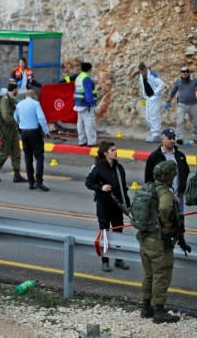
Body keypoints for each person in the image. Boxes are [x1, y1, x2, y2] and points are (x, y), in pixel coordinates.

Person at [138, 160, 181, 323]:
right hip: (158, 241)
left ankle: (146, 307)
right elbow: (164, 209)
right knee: (161, 275)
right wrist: (168, 223)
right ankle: (159, 311)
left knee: (148, 275)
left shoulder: (148, 187)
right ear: (169, 176)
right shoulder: (165, 193)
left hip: (145, 239)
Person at [85, 141, 131, 272]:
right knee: (105, 232)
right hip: (103, 204)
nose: (115, 152)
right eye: (112, 150)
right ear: (105, 153)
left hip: (117, 206)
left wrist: (127, 205)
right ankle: (105, 260)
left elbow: (123, 189)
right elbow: (88, 183)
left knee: (118, 231)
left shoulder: (119, 168)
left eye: (116, 149)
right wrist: (101, 187)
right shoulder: (98, 168)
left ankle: (119, 259)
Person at [0, 81, 27, 183]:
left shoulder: (10, 99)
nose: (17, 91)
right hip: (6, 130)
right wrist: (17, 123)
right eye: (17, 89)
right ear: (14, 89)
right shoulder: (5, 99)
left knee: (16, 152)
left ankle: (17, 174)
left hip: (11, 129)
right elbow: (6, 116)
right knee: (4, 152)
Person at [144, 128, 189, 210]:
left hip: (179, 197)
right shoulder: (154, 157)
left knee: (179, 221)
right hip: (161, 198)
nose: (172, 140)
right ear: (162, 139)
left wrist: (183, 188)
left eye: (173, 138)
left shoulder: (180, 156)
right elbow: (148, 179)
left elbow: (186, 173)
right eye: (169, 138)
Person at [14, 89, 50, 191]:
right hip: (34, 132)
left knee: (28, 157)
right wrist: (46, 131)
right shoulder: (36, 104)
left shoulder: (20, 104)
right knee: (39, 157)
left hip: (23, 132)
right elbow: (41, 118)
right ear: (34, 95)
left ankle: (31, 182)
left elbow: (15, 117)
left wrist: (21, 124)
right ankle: (39, 181)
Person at [166, 66, 197, 143]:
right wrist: (168, 101)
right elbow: (173, 92)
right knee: (180, 121)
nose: (184, 74)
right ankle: (180, 138)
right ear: (181, 73)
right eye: (183, 72)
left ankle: (196, 137)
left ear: (188, 73)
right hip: (181, 104)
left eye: (186, 72)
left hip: (193, 104)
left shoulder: (194, 80)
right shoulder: (178, 81)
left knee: (196, 122)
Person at [139, 62, 166, 142]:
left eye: (142, 71)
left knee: (154, 115)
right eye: (140, 72)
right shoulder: (141, 76)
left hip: (154, 97)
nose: (142, 73)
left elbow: (162, 84)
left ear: (145, 69)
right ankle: (154, 133)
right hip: (148, 98)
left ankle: (156, 134)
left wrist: (156, 92)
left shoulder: (153, 75)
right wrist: (143, 96)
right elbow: (144, 86)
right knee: (148, 116)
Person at [74, 62, 98, 147]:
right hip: (86, 105)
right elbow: (88, 93)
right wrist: (92, 103)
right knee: (89, 123)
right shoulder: (86, 79)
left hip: (79, 103)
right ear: (89, 69)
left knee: (80, 124)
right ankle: (91, 142)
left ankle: (82, 141)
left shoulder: (79, 77)